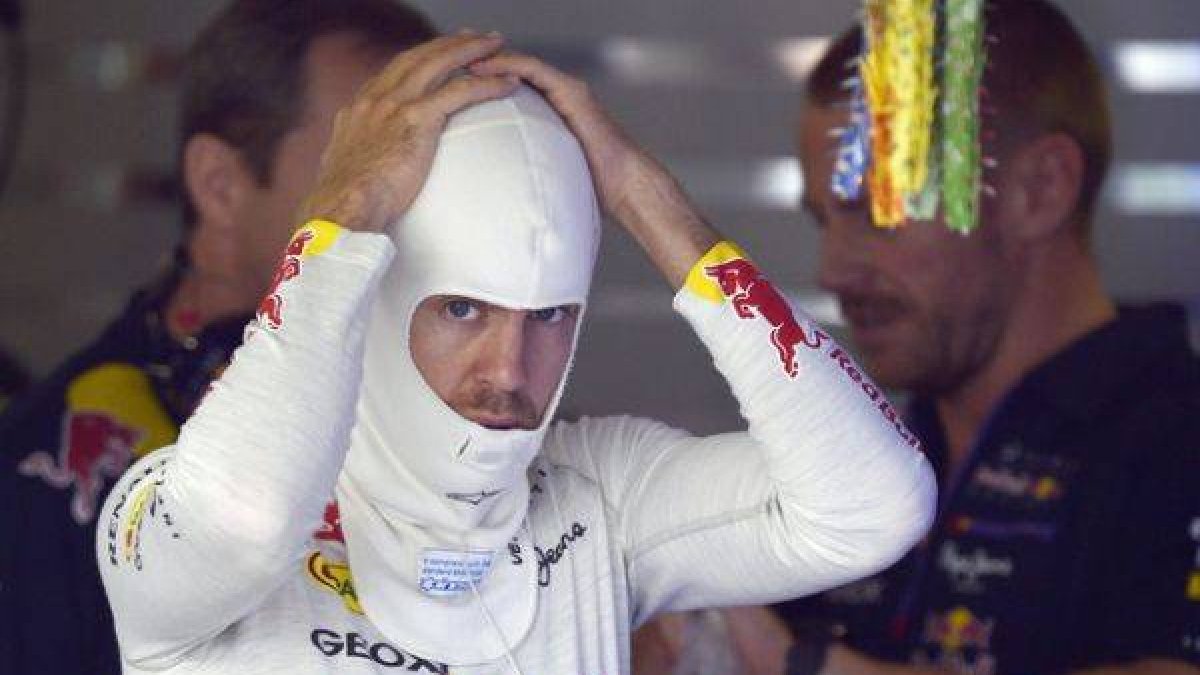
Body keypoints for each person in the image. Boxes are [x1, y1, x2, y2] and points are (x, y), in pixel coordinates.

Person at [98, 32, 936, 674]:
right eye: (461, 309)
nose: (509, 370)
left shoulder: (597, 502)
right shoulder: (160, 511)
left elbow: (873, 506)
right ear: (374, 285)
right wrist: (339, 216)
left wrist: (650, 203)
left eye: (550, 316)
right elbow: (247, 519)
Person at [646, 1, 1199, 673]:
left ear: (1041, 188)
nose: (833, 269)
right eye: (826, 220)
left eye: (879, 213)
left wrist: (804, 664)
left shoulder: (1175, 440)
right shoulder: (867, 449)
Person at [0, 2, 434, 673]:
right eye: (364, 163)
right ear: (221, 184)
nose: (413, 197)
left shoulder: (473, 415)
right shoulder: (45, 467)